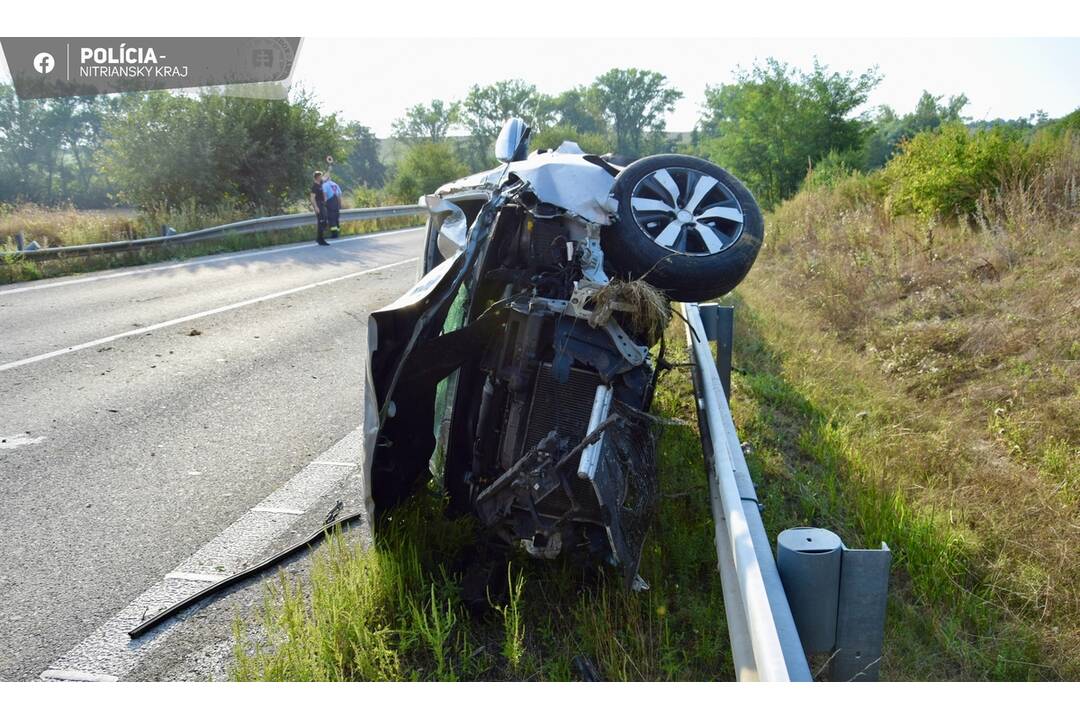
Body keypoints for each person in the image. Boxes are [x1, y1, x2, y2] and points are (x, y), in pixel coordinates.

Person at [309, 170, 329, 246]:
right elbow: (312, 198)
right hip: (318, 205)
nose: (321, 177)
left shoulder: (320, 184)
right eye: (320, 176)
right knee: (321, 222)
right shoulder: (314, 186)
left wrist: (330, 167)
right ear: (317, 177)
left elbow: (326, 177)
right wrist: (316, 207)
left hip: (322, 205)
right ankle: (320, 239)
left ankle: (319, 238)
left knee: (324, 221)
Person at [322, 173, 343, 239]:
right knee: (336, 218)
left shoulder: (324, 185)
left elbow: (325, 196)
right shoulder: (335, 184)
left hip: (330, 202)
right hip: (336, 202)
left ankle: (334, 234)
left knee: (331, 218)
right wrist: (339, 204)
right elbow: (339, 195)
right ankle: (338, 232)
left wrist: (324, 204)